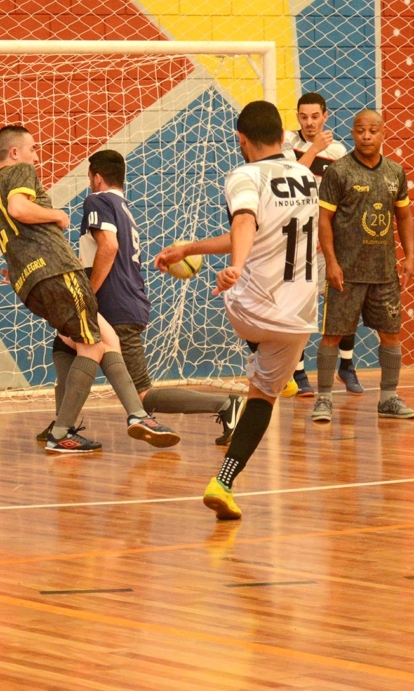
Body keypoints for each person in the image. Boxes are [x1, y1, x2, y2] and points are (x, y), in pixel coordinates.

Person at [155, 101, 318, 520]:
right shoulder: (305, 175)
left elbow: (244, 223)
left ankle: (261, 358)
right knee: (262, 398)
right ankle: (223, 482)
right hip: (298, 317)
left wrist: (236, 268)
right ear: (283, 138)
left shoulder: (244, 175)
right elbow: (250, 231)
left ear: (241, 140)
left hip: (249, 304)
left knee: (237, 302)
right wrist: (190, 248)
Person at [0, 125, 177, 453]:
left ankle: (137, 415)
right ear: (14, 153)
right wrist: (56, 215)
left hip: (30, 280)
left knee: (106, 339)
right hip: (58, 274)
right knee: (92, 347)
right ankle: (62, 432)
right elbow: (20, 209)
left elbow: (15, 231)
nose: (36, 155)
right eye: (32, 148)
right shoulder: (20, 171)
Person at [38, 149, 245, 447]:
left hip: (114, 307)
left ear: (96, 178)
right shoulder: (123, 208)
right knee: (64, 345)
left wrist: (87, 295)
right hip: (127, 302)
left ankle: (225, 405)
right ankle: (62, 424)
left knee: (142, 395)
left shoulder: (97, 200)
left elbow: (107, 247)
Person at [312, 109, 414, 423]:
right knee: (332, 335)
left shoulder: (395, 172)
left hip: (384, 273)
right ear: (353, 134)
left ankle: (388, 399)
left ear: (384, 133)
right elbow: (324, 219)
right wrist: (331, 261)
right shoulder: (338, 171)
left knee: (391, 334)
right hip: (346, 271)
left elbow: (404, 216)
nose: (366, 136)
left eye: (373, 130)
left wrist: (410, 256)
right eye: (360, 130)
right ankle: (324, 399)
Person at [280, 93, 363, 398]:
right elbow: (292, 179)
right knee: (299, 308)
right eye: (304, 116)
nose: (310, 122)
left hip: (328, 240)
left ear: (326, 116)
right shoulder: (288, 144)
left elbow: (344, 196)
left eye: (315, 116)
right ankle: (298, 372)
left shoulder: (340, 151)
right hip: (298, 240)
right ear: (298, 117)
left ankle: (346, 365)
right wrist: (314, 148)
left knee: (344, 301)